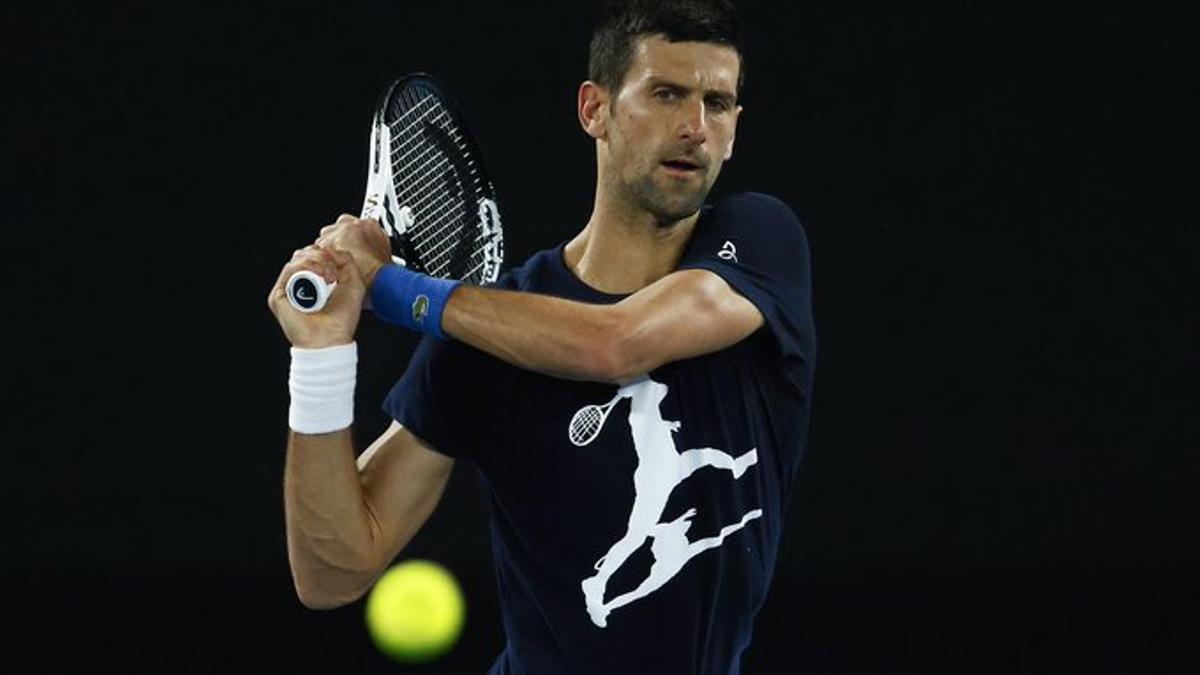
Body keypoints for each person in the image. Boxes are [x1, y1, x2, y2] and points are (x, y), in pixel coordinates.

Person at [266, 0, 816, 672]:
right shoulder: (486, 329)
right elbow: (332, 573)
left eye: (718, 103)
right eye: (666, 94)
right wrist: (320, 356)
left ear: (734, 130)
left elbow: (615, 343)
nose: (695, 127)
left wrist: (386, 287)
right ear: (595, 110)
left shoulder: (761, 242)